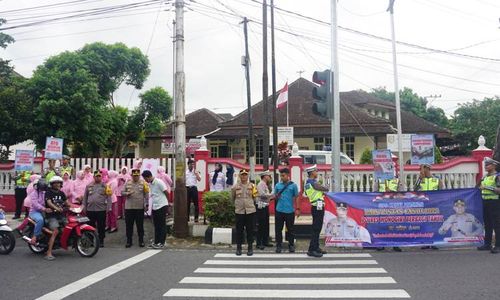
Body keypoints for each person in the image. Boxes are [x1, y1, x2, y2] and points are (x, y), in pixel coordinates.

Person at [415, 163, 443, 250]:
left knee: (434, 224)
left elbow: (441, 190)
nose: (422, 171)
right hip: (424, 205)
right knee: (425, 224)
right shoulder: (420, 180)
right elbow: (415, 190)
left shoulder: (437, 179)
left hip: (434, 204)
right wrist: (420, 180)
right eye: (421, 169)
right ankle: (426, 242)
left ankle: (434, 242)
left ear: (428, 169)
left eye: (423, 169)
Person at [82, 170, 112, 248]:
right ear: (94, 177)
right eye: (96, 176)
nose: (98, 178)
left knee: (101, 226)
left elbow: (109, 197)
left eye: (99, 176)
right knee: (90, 226)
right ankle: (90, 241)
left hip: (101, 209)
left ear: (101, 177)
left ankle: (101, 241)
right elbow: (85, 197)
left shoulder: (105, 186)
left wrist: (109, 207)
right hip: (90, 209)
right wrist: (84, 207)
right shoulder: (89, 186)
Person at [304, 165, 329, 257]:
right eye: (316, 171)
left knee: (317, 228)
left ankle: (316, 247)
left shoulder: (307, 183)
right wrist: (327, 181)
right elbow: (326, 188)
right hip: (317, 207)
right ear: (312, 173)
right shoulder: (313, 183)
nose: (317, 173)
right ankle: (311, 249)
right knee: (316, 229)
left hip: (316, 206)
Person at [374, 174, 402, 252]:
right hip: (382, 207)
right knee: (382, 226)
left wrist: (393, 192)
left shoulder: (397, 181)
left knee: (395, 226)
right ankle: (381, 244)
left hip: (394, 207)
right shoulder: (379, 180)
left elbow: (402, 193)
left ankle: (395, 244)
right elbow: (374, 193)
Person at [477, 157, 500, 253]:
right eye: (485, 165)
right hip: (485, 202)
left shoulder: (497, 176)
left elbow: (499, 190)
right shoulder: (484, 177)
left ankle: (498, 246)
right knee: (487, 224)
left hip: (494, 202)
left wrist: (486, 187)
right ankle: (487, 244)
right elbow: (478, 186)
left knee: (496, 224)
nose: (486, 166)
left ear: (494, 165)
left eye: (488, 165)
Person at [274, 168, 299, 254]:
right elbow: (275, 196)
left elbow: (297, 197)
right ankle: (278, 245)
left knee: (291, 229)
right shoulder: (277, 185)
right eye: (281, 175)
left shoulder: (293, 185)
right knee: (278, 229)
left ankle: (291, 245)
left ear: (288, 175)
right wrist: (277, 196)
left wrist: (298, 208)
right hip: (279, 210)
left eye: (283, 175)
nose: (282, 177)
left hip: (289, 211)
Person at [232, 169, 257, 256]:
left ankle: (250, 248)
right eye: (242, 175)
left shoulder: (252, 186)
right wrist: (236, 206)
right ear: (240, 176)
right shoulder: (235, 187)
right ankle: (239, 248)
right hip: (239, 211)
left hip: (250, 211)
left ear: (247, 176)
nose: (244, 176)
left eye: (245, 175)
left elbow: (255, 198)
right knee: (239, 230)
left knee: (250, 230)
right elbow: (232, 198)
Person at [122, 168, 149, 248]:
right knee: (129, 226)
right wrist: (127, 193)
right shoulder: (127, 183)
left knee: (140, 225)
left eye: (137, 176)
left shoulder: (143, 183)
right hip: (129, 207)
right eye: (134, 176)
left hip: (139, 207)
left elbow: (146, 195)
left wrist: (146, 205)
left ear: (139, 175)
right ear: (131, 175)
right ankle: (129, 241)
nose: (135, 177)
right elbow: (122, 192)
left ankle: (141, 241)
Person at [45, 176, 70, 260]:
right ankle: (49, 253)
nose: (57, 184)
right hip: (51, 216)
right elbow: (49, 202)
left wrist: (75, 206)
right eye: (55, 183)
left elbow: (67, 203)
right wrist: (56, 208)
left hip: (61, 215)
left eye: (59, 183)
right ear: (52, 184)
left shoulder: (61, 193)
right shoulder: (48, 192)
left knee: (68, 226)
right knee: (55, 231)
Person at [142, 170, 169, 249]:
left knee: (162, 225)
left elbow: (166, 192)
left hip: (162, 205)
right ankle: (156, 242)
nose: (145, 181)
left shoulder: (159, 182)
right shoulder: (150, 184)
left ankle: (162, 242)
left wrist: (167, 203)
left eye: (145, 179)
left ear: (149, 176)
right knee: (156, 225)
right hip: (155, 206)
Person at [27, 179, 49, 247]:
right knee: (40, 220)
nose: (43, 189)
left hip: (43, 211)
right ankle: (34, 237)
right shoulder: (34, 194)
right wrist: (44, 209)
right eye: (42, 188)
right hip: (34, 212)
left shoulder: (45, 193)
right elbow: (35, 204)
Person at [256, 170, 274, 250]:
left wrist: (270, 196)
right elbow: (262, 195)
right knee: (261, 225)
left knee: (266, 224)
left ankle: (265, 241)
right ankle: (259, 243)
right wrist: (272, 195)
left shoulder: (265, 185)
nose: (270, 177)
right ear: (264, 176)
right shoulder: (260, 184)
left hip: (265, 205)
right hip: (261, 207)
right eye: (268, 175)